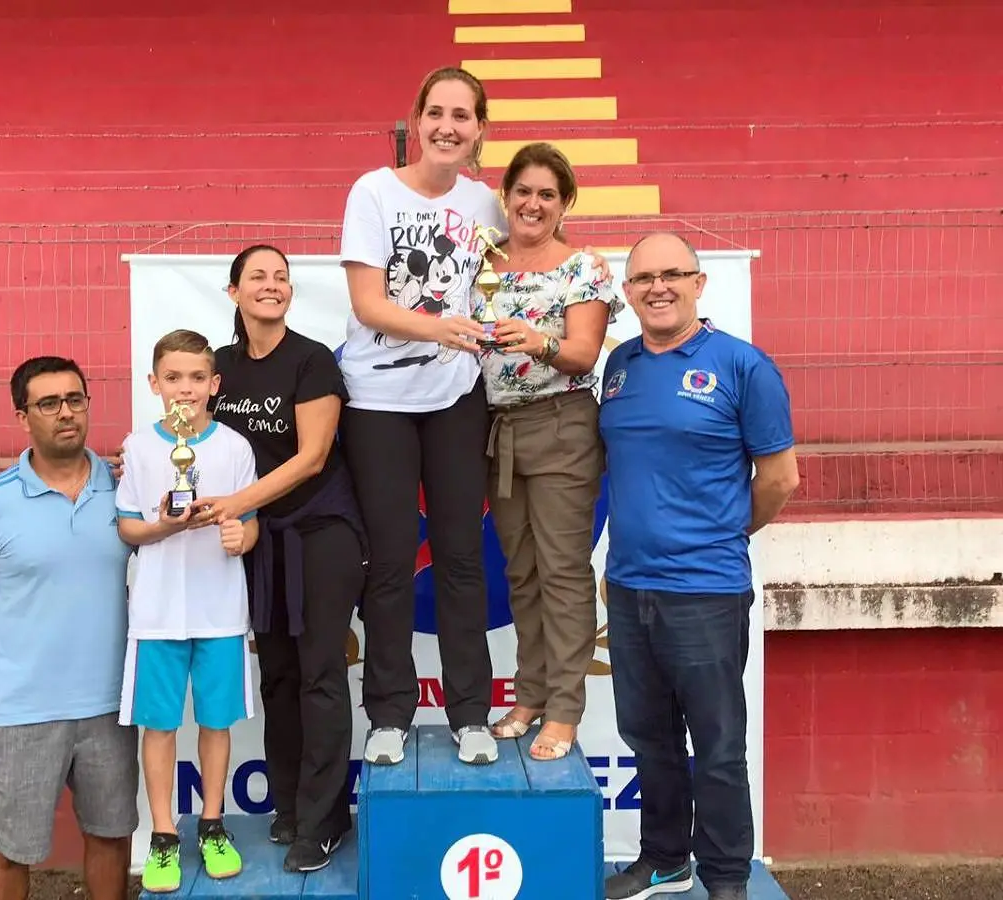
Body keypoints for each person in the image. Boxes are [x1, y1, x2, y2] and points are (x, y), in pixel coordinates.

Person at [598, 232, 799, 900]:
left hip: (706, 592)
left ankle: (725, 875)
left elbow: (779, 478)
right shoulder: (620, 365)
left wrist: (722, 534)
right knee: (648, 737)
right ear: (626, 293)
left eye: (671, 275)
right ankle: (664, 858)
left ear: (698, 283)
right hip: (628, 588)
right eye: (642, 278)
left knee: (716, 748)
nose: (657, 288)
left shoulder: (743, 366)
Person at [338, 65, 505, 767]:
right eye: (435, 112)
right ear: (417, 117)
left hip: (456, 399)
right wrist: (445, 327)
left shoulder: (487, 203)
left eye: (461, 116)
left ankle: (472, 713)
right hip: (377, 401)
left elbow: (521, 270)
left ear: (478, 129)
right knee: (389, 559)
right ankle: (389, 714)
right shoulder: (372, 191)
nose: (446, 126)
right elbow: (369, 306)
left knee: (464, 558)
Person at [0, 356, 137, 900]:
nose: (65, 413)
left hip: (109, 704)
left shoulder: (125, 489)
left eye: (75, 400)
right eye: (48, 403)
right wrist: (24, 611)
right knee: (12, 851)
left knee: (112, 836)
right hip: (23, 708)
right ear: (23, 416)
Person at [194, 244, 367, 874]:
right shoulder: (219, 367)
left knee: (320, 672)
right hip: (260, 536)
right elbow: (196, 442)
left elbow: (312, 457)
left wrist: (237, 504)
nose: (272, 286)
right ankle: (292, 806)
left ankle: (324, 820)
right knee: (279, 677)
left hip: (322, 530)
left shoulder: (311, 360)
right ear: (234, 292)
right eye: (257, 277)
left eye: (281, 277)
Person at [475, 143, 620, 761]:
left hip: (562, 424)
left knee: (563, 571)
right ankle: (530, 693)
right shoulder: (478, 259)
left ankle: (564, 708)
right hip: (496, 432)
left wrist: (538, 341)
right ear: (505, 196)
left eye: (547, 195)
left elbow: (585, 354)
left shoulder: (582, 268)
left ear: (564, 206)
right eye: (523, 191)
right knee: (521, 571)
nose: (532, 204)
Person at [115, 329, 260, 891]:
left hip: (220, 611)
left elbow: (248, 523)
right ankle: (162, 836)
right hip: (156, 614)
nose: (185, 389)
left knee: (216, 723)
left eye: (197, 378)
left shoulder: (235, 448)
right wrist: (163, 525)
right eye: (172, 378)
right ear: (154, 384)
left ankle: (213, 823)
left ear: (214, 384)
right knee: (159, 726)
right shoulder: (139, 447)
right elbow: (128, 528)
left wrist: (237, 538)